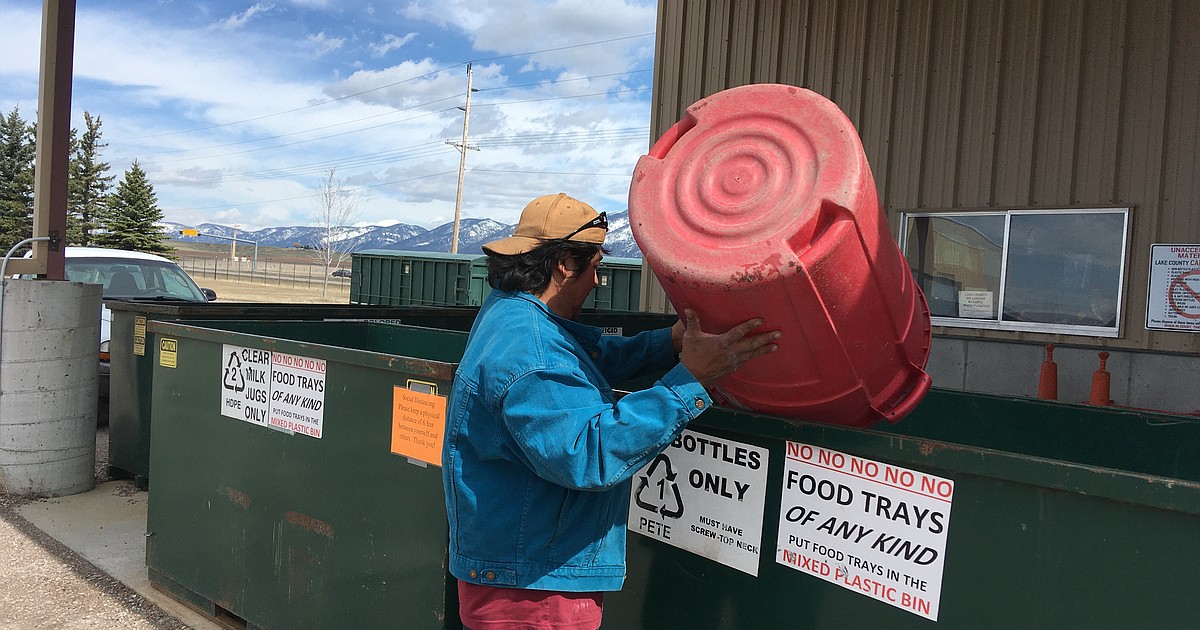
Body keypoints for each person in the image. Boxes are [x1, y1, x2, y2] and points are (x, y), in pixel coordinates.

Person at [442, 193, 781, 630]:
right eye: (596, 265)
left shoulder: (514, 314)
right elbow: (589, 454)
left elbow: (584, 361)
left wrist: (671, 342)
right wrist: (689, 382)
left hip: (521, 567)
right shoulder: (532, 352)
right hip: (534, 588)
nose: (597, 281)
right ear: (565, 264)